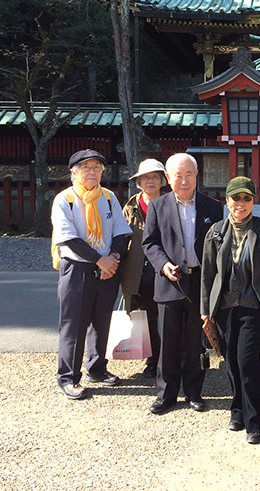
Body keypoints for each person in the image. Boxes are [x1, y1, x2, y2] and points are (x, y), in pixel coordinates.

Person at [201, 176, 260, 444]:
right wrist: (206, 309)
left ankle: (256, 420)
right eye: (236, 198)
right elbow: (208, 274)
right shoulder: (215, 231)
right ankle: (237, 409)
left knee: (248, 360)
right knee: (230, 361)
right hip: (224, 307)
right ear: (227, 200)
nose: (241, 203)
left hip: (253, 305)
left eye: (247, 198)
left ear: (253, 201)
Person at [142, 153, 223, 415]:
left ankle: (193, 392)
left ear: (197, 175)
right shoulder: (157, 206)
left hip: (199, 281)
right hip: (169, 282)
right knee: (168, 341)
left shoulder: (212, 206)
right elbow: (150, 243)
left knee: (194, 341)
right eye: (177, 175)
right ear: (168, 177)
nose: (184, 180)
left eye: (189, 174)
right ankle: (165, 394)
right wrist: (163, 264)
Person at [51, 149, 132, 400]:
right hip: (77, 268)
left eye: (97, 167)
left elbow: (121, 231)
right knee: (74, 324)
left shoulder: (107, 197)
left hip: (108, 266)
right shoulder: (65, 199)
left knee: (101, 321)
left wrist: (114, 258)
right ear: (73, 172)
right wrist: (101, 259)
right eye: (85, 167)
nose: (92, 171)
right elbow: (69, 238)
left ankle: (97, 368)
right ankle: (68, 377)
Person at [119, 158, 167, 378]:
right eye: (146, 177)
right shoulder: (131, 206)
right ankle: (153, 359)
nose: (151, 181)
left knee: (170, 317)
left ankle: (174, 358)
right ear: (138, 181)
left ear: (162, 180)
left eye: (155, 176)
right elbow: (121, 239)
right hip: (138, 270)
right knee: (147, 318)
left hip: (165, 269)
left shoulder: (171, 203)